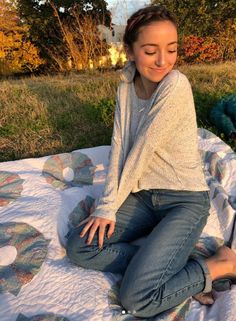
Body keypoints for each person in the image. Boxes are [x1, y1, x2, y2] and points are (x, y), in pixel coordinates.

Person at [66, 5, 236, 319]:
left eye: (171, 49)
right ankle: (175, 273)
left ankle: (218, 264)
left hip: (183, 200)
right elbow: (120, 144)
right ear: (130, 51)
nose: (163, 60)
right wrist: (107, 205)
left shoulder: (175, 85)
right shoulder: (126, 84)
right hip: (143, 196)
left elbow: (142, 150)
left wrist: (109, 205)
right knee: (80, 245)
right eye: (150, 50)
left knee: (136, 298)